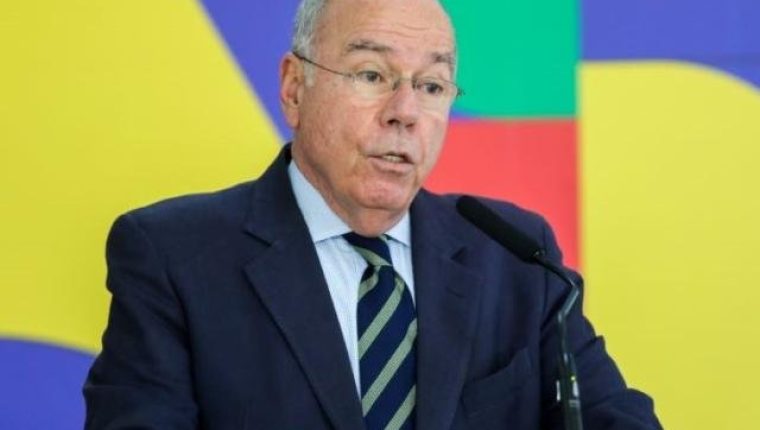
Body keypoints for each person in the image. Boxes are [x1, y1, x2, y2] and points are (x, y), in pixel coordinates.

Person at [83, 0, 662, 428]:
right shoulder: (174, 257)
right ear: (294, 88)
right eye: (371, 75)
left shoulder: (517, 257)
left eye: (431, 85)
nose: (405, 111)